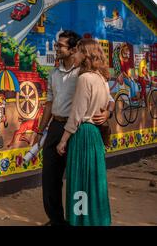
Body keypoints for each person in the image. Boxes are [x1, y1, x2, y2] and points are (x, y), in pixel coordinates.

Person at [31, 31, 114, 226]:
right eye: (56, 44)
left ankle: (77, 219)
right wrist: (40, 130)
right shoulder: (54, 73)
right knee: (50, 177)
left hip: (75, 130)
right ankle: (57, 220)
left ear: (73, 49)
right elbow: (49, 104)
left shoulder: (84, 74)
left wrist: (108, 113)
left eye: (60, 45)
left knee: (78, 177)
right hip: (56, 127)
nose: (56, 48)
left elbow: (108, 99)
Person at [56, 38, 112, 226]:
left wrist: (63, 140)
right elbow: (107, 106)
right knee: (95, 182)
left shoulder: (84, 78)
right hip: (95, 135)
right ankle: (96, 220)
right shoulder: (102, 79)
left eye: (79, 52)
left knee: (80, 180)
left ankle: (80, 221)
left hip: (83, 135)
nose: (75, 55)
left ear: (85, 55)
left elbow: (77, 115)